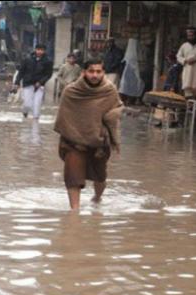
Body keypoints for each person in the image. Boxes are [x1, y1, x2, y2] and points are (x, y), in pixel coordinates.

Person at [54, 58, 123, 211]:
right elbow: (64, 118)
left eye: (98, 71)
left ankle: (97, 198)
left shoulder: (109, 90)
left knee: (100, 177)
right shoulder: (71, 91)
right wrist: (72, 136)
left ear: (103, 73)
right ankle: (75, 212)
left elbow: (117, 109)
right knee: (73, 177)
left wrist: (112, 117)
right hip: (73, 141)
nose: (95, 75)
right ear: (84, 72)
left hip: (98, 142)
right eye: (91, 71)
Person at [13, 44, 53, 119]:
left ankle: (36, 123)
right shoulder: (27, 59)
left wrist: (40, 82)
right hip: (27, 84)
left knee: (37, 104)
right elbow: (21, 72)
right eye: (38, 49)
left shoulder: (48, 61)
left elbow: (48, 74)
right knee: (27, 104)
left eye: (41, 50)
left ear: (44, 51)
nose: (39, 51)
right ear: (35, 49)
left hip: (39, 86)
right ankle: (25, 112)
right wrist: (17, 83)